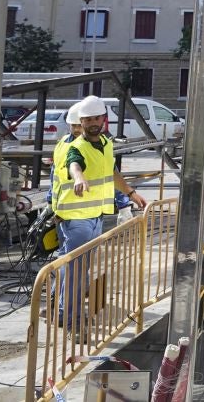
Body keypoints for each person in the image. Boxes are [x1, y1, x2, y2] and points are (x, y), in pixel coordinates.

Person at [52, 95, 146, 326]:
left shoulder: (105, 144)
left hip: (95, 215)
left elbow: (111, 173)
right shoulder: (76, 147)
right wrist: (79, 177)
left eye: (97, 118)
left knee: (78, 267)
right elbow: (74, 164)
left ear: (103, 119)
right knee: (75, 269)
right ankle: (70, 317)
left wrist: (130, 194)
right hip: (77, 218)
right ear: (81, 122)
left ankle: (65, 311)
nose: (93, 123)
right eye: (88, 119)